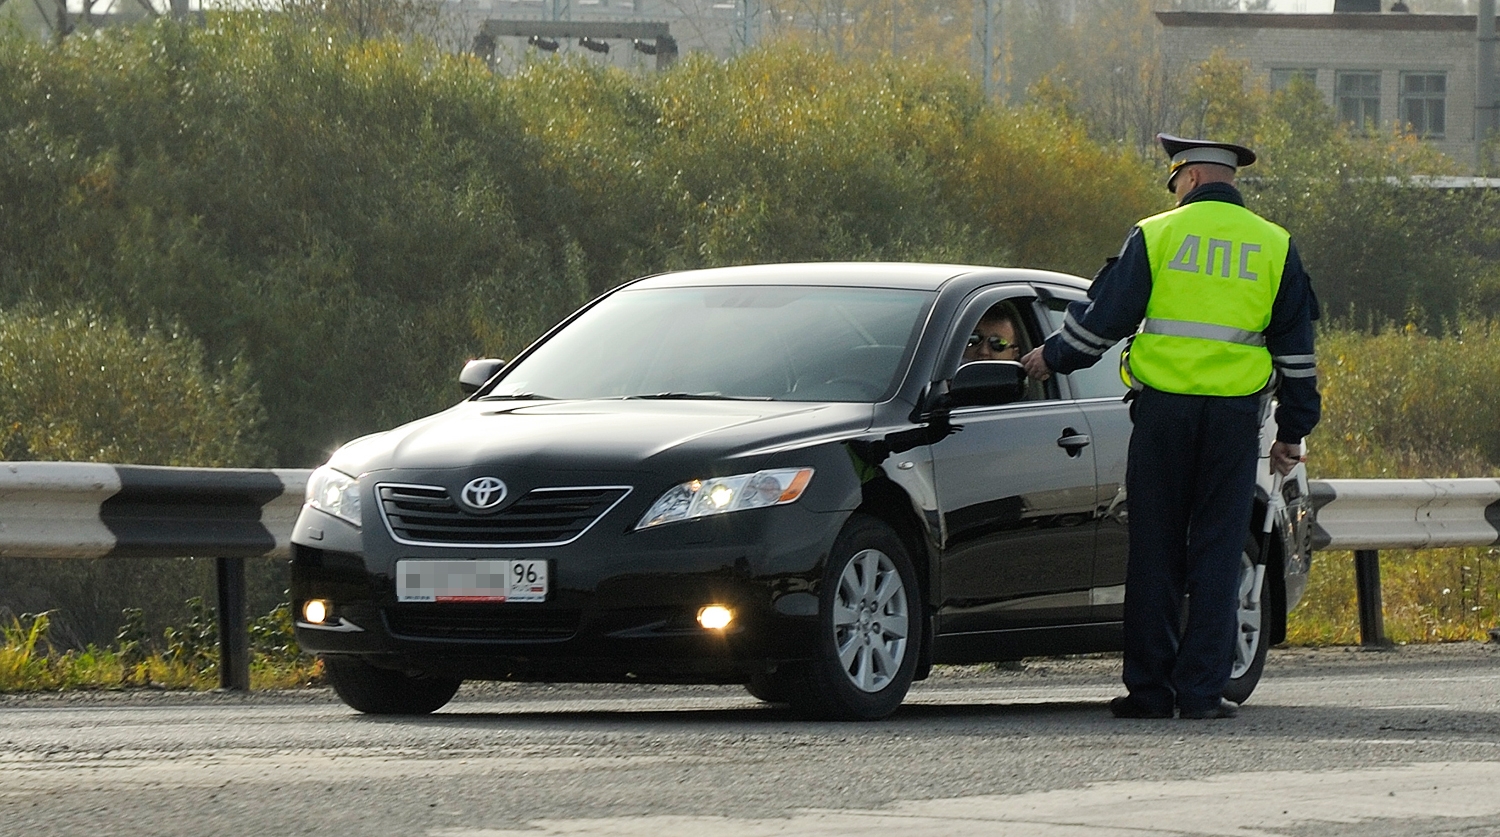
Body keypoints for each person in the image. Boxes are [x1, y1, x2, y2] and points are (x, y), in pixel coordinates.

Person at [1020, 133, 1320, 721]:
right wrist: (1292, 431)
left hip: (1163, 417)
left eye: (1176, 180)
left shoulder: (1157, 234)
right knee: (1216, 552)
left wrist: (1050, 358)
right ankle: (1203, 694)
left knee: (1155, 548)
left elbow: (1104, 319)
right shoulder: (1274, 245)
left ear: (1189, 177)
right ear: (1230, 181)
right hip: (1234, 422)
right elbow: (1298, 353)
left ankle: (1151, 692)